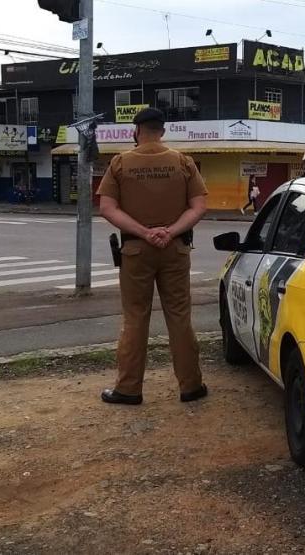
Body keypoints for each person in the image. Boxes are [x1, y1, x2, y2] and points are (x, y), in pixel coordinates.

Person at [96, 107, 209, 405]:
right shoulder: (183, 162)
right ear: (163, 131)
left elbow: (108, 208)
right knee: (180, 317)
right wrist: (169, 232)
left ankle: (129, 389)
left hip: (135, 250)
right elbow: (198, 207)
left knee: (135, 318)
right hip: (175, 249)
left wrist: (145, 233)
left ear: (136, 131)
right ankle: (191, 386)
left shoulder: (120, 164)